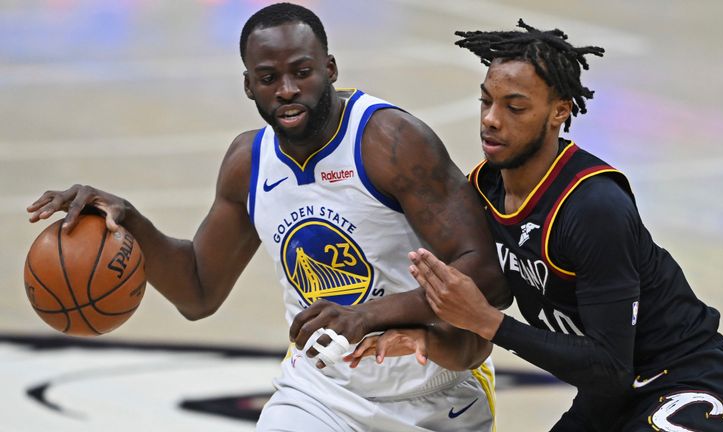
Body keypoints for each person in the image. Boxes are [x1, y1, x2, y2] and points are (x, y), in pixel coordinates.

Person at [25, 3, 508, 431]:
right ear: (248, 85)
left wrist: (368, 315)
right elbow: (197, 291)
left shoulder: (390, 142)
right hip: (322, 392)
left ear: (331, 68)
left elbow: (485, 276)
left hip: (434, 390)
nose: (287, 90)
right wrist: (130, 223)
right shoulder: (248, 163)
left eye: (302, 72)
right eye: (269, 78)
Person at [354, 20, 723, 432]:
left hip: (688, 381)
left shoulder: (593, 207)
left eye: (515, 107)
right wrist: (426, 339)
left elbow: (608, 365)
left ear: (559, 111)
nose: (491, 119)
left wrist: (492, 323)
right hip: (609, 398)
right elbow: (475, 327)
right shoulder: (481, 191)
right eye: (486, 101)